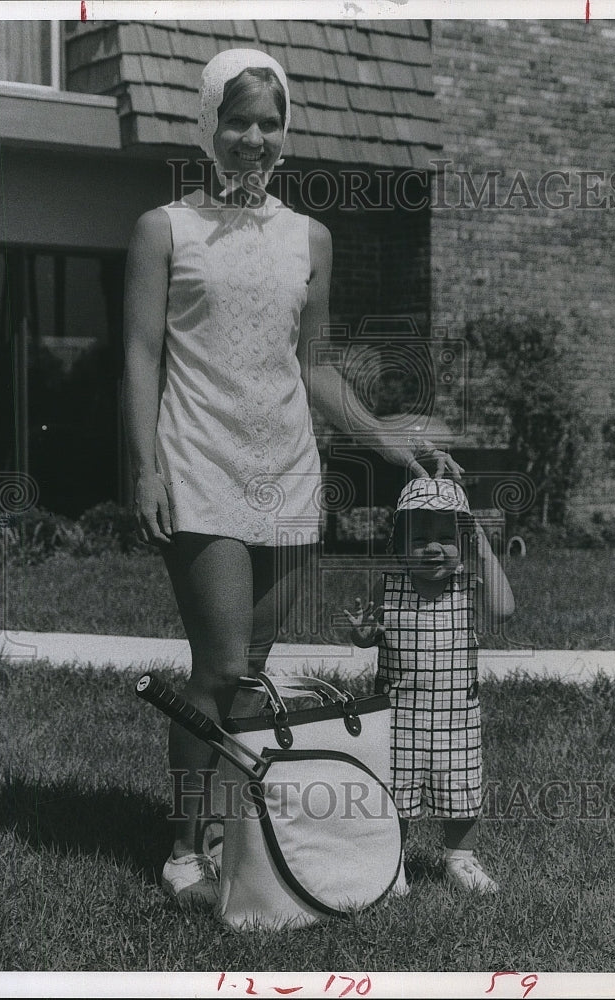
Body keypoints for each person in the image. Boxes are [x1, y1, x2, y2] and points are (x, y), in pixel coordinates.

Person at [122, 47, 463, 907]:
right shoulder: (165, 228)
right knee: (223, 663)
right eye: (237, 119)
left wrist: (389, 440)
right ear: (208, 125)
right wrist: (145, 466)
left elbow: (313, 367)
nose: (254, 137)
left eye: (270, 123)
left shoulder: (309, 238)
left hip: (288, 469)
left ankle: (239, 834)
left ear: (286, 133)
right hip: (198, 463)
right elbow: (139, 356)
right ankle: (181, 852)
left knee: (255, 665)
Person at [344, 476, 515, 893]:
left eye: (446, 537)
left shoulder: (468, 590)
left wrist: (481, 546)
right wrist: (364, 635)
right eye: (420, 538)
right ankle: (392, 860)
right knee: (395, 791)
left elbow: (505, 610)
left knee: (460, 788)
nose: (434, 547)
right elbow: (370, 632)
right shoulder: (388, 587)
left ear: (463, 541)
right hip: (399, 717)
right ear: (398, 545)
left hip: (456, 715)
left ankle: (461, 858)